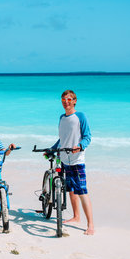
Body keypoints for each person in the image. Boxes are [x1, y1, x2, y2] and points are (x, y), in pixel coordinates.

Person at [52, 89, 94, 235]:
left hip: (77, 159)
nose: (66, 102)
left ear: (75, 101)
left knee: (82, 191)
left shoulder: (80, 116)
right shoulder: (62, 117)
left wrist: (80, 146)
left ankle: (90, 225)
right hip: (64, 159)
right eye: (63, 99)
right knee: (70, 190)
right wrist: (52, 148)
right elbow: (63, 138)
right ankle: (76, 217)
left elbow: (87, 136)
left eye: (69, 99)